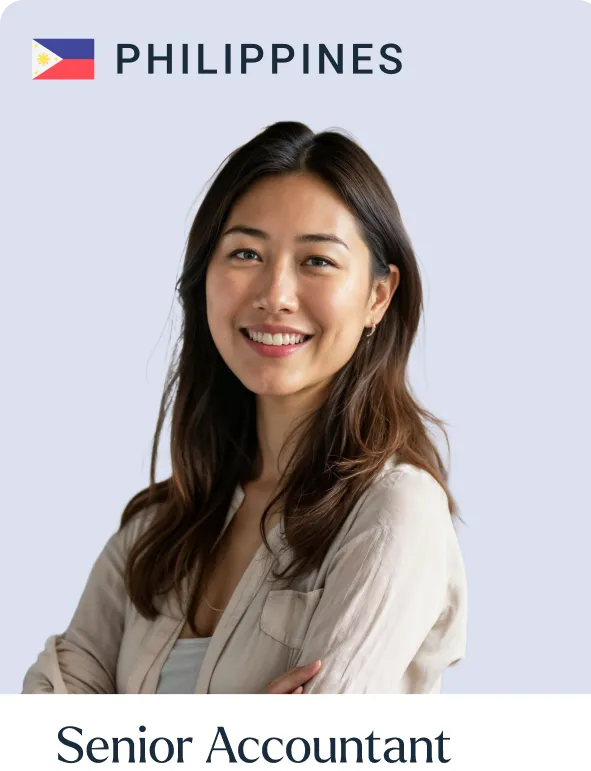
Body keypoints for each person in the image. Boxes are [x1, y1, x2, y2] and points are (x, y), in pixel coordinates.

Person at [22, 121, 467, 694]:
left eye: (318, 261)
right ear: (205, 279)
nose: (275, 294)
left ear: (377, 296)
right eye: (246, 253)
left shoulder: (394, 514)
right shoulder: (157, 529)